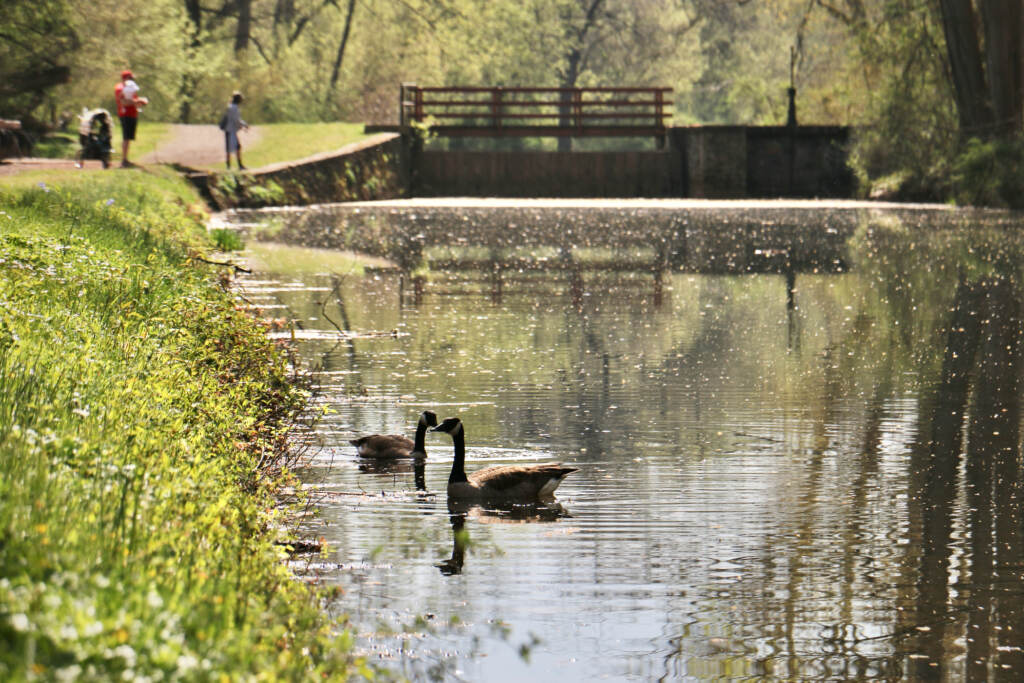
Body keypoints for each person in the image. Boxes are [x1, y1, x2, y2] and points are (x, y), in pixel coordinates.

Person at [114, 69, 147, 167]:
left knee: (128, 137)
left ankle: (125, 158)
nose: (132, 80)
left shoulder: (131, 87)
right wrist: (137, 101)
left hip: (132, 114)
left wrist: (140, 102)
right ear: (125, 78)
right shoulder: (120, 88)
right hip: (125, 114)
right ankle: (124, 160)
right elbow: (124, 102)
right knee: (126, 137)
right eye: (130, 78)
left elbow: (133, 100)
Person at [222, 91, 249, 170]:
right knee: (236, 148)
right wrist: (244, 125)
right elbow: (236, 120)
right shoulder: (234, 108)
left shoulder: (230, 106)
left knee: (229, 148)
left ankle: (229, 166)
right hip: (231, 131)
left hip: (229, 130)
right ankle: (238, 165)